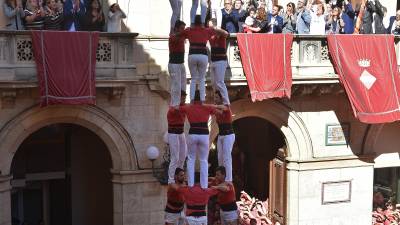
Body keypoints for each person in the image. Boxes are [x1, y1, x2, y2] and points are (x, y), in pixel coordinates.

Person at [178, 90, 223, 188]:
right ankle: (204, 185)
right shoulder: (207, 107)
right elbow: (219, 112)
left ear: (193, 99)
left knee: (191, 159)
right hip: (204, 135)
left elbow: (178, 109)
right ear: (202, 98)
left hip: (193, 134)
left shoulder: (188, 107)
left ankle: (190, 184)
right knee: (203, 160)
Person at [180, 15, 224, 103]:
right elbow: (216, 30)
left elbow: (180, 34)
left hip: (192, 55)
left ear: (194, 22)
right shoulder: (207, 30)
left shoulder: (189, 30)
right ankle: (202, 100)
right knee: (201, 78)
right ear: (201, 22)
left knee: (193, 79)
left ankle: (192, 99)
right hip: (203, 55)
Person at [167, 91, 187, 185]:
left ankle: (179, 174)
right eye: (182, 98)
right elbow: (174, 110)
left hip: (181, 133)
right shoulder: (173, 108)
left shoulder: (183, 107)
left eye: (184, 98)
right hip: (173, 134)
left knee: (183, 155)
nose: (184, 100)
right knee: (175, 157)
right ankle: (171, 179)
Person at [208, 19, 230, 106]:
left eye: (210, 26)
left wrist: (216, 28)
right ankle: (217, 98)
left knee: (220, 82)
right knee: (213, 82)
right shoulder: (211, 36)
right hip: (213, 61)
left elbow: (226, 33)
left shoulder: (222, 35)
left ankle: (226, 102)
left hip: (221, 61)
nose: (209, 28)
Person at [214, 91, 234, 182]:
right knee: (220, 157)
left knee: (226, 157)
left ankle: (228, 179)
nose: (215, 99)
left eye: (217, 97)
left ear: (222, 99)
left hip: (228, 135)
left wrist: (213, 106)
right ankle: (221, 177)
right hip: (221, 135)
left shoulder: (226, 107)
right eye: (214, 97)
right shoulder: (217, 111)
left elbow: (224, 108)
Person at [169, 20, 187, 107]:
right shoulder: (172, 37)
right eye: (181, 28)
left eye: (184, 28)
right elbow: (175, 38)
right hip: (174, 64)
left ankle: (182, 100)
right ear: (176, 28)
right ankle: (175, 104)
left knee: (183, 83)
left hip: (181, 63)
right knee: (176, 84)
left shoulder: (181, 36)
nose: (183, 30)